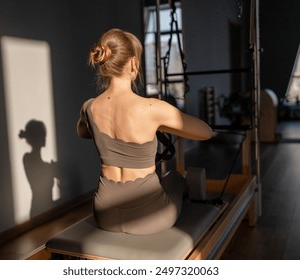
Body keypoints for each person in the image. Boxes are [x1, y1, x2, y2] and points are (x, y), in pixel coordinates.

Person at [77, 28, 213, 235]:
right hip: (149, 217)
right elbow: (206, 132)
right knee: (174, 177)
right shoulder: (152, 109)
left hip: (105, 215)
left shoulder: (89, 107)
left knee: (165, 181)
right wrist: (160, 124)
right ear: (133, 62)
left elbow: (84, 133)